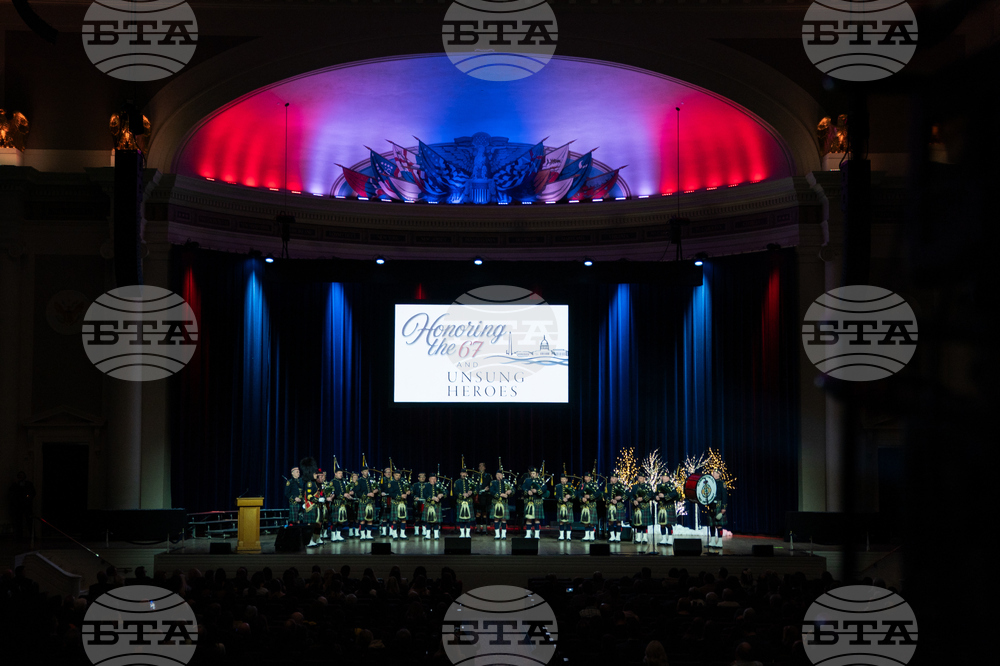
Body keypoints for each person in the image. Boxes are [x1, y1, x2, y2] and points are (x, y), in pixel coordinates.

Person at [300, 458, 324, 547]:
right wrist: (318, 500)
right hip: (310, 506)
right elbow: (309, 496)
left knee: (314, 524)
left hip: (314, 506)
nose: (316, 475)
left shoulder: (313, 483)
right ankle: (308, 541)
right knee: (310, 524)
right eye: (315, 473)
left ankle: (313, 539)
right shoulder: (309, 483)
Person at [521, 467, 547, 539]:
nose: (532, 475)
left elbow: (544, 488)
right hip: (529, 501)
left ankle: (537, 535)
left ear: (537, 474)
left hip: (537, 502)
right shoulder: (527, 480)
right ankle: (528, 534)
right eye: (531, 473)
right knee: (528, 518)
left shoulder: (541, 481)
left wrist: (537, 491)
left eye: (534, 473)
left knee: (537, 519)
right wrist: (527, 491)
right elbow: (522, 487)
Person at [655, 472, 681, 546]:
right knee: (662, 524)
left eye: (666, 477)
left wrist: (665, 496)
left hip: (669, 507)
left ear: (668, 478)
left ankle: (670, 539)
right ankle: (663, 539)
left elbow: (674, 494)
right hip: (661, 507)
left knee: (669, 524)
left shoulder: (671, 485)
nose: (664, 478)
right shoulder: (658, 485)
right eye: (663, 476)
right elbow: (655, 494)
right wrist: (656, 497)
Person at [706, 468, 728, 551]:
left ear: (719, 474)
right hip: (711, 505)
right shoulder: (710, 483)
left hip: (719, 505)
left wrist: (723, 507)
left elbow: (724, 496)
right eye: (713, 473)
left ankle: (719, 542)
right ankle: (712, 541)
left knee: (718, 525)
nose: (713, 474)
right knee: (711, 524)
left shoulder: (722, 483)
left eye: (715, 473)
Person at [8, 472, 36, 539]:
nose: (21, 478)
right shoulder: (15, 485)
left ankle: (32, 535)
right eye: (20, 476)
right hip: (18, 505)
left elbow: (33, 492)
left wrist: (28, 498)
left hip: (27, 505)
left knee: (29, 520)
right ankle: (19, 536)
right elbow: (11, 493)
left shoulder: (29, 484)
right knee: (19, 521)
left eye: (22, 476)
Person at [577, 471, 603, 541]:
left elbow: (598, 493)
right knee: (586, 521)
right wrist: (582, 498)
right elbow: (578, 493)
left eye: (588, 477)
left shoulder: (594, 485)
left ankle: (592, 535)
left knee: (591, 521)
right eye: (585, 477)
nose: (586, 478)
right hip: (584, 505)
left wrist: (590, 496)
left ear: (590, 478)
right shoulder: (582, 485)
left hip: (591, 504)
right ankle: (586, 536)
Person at [489, 470, 515, 540]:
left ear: (502, 476)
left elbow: (513, 490)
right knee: (496, 519)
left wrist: (510, 491)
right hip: (496, 502)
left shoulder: (506, 482)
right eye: (497, 475)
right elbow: (492, 491)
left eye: (500, 475)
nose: (498, 476)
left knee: (504, 519)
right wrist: (501, 495)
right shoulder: (493, 482)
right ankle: (497, 534)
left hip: (504, 503)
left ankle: (503, 535)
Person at [355, 465, 378, 540]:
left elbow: (377, 488)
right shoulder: (359, 481)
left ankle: (368, 535)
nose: (366, 472)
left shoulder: (372, 479)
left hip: (371, 501)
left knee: (370, 519)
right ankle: (362, 535)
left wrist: (376, 491)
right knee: (362, 519)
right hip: (363, 501)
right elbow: (357, 492)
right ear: (362, 472)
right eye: (364, 471)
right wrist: (367, 494)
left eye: (367, 471)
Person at [387, 469, 410, 539]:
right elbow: (390, 493)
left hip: (403, 503)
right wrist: (400, 496)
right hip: (395, 503)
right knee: (395, 520)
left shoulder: (403, 482)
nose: (398, 477)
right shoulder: (391, 483)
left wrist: (408, 492)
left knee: (403, 519)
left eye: (399, 475)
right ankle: (395, 534)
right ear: (394, 475)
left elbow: (409, 488)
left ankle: (402, 534)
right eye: (396, 475)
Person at [630, 473, 653, 543]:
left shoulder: (648, 486)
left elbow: (651, 494)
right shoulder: (634, 487)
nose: (639, 479)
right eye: (639, 478)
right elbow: (631, 496)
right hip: (637, 507)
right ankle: (638, 538)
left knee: (644, 524)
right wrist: (634, 501)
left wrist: (643, 498)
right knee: (638, 523)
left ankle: (645, 538)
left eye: (641, 478)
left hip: (645, 506)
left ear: (644, 478)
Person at [605, 473, 628, 542]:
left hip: (619, 505)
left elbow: (626, 495)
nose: (611, 479)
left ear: (617, 479)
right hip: (611, 505)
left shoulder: (621, 486)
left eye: (613, 478)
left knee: (618, 522)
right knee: (610, 521)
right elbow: (605, 495)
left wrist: (620, 498)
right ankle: (612, 536)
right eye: (611, 478)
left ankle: (618, 537)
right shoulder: (608, 486)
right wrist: (610, 500)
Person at [422, 474, 446, 540]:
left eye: (435, 479)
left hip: (437, 505)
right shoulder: (426, 486)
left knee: (436, 521)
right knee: (428, 521)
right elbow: (424, 494)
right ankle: (427, 535)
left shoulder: (439, 485)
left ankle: (436, 535)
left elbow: (446, 492)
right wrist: (432, 498)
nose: (433, 480)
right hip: (428, 505)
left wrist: (442, 494)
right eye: (432, 479)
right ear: (429, 479)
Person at [453, 470, 476, 538]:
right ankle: (462, 533)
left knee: (468, 519)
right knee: (461, 519)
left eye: (465, 473)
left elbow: (475, 490)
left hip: (469, 501)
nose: (464, 474)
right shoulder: (457, 482)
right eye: (463, 473)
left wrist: (471, 492)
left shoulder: (470, 481)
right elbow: (455, 492)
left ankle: (468, 533)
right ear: (460, 473)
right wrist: (462, 495)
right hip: (460, 501)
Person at [329, 468, 349, 541]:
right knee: (335, 521)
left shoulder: (343, 481)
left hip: (342, 503)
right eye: (339, 473)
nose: (341, 474)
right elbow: (333, 492)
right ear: (335, 474)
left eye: (341, 473)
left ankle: (338, 535)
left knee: (341, 520)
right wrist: (343, 495)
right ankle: (333, 536)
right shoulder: (332, 482)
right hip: (336, 503)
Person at [553, 474, 575, 540]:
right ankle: (561, 536)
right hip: (561, 505)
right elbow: (555, 495)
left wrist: (570, 496)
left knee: (568, 521)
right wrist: (561, 499)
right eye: (561, 479)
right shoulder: (557, 486)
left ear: (567, 479)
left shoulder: (570, 486)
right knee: (561, 521)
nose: (562, 480)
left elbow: (574, 494)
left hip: (568, 505)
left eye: (564, 479)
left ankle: (568, 536)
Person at [474, 462, 491, 534]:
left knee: (484, 513)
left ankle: (484, 529)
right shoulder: (475, 476)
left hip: (485, 497)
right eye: (479, 466)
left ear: (484, 468)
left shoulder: (488, 476)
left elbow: (491, 484)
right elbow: (473, 485)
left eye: (482, 466)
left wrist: (488, 489)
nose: (480, 467)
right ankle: (478, 528)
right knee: (478, 513)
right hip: (477, 496)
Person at [411, 472, 429, 536]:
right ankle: (416, 531)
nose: (422, 478)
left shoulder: (428, 485)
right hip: (417, 503)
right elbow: (411, 493)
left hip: (426, 503)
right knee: (417, 517)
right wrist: (415, 497)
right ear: (418, 478)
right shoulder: (415, 485)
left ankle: (424, 530)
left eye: (424, 477)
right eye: (421, 477)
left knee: (425, 517)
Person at [379, 467, 393, 537]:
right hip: (384, 499)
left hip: (392, 500)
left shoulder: (393, 480)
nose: (388, 473)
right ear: (384, 473)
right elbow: (379, 488)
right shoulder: (382, 480)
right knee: (384, 516)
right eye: (387, 472)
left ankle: (391, 532)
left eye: (389, 472)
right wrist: (381, 492)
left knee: (391, 517)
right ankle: (384, 532)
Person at [346, 471, 360, 538]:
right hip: (350, 503)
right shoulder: (349, 485)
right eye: (354, 477)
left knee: (357, 518)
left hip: (358, 502)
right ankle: (350, 532)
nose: (355, 478)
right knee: (351, 518)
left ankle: (357, 532)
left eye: (356, 477)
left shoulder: (359, 484)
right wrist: (349, 493)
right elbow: (346, 492)